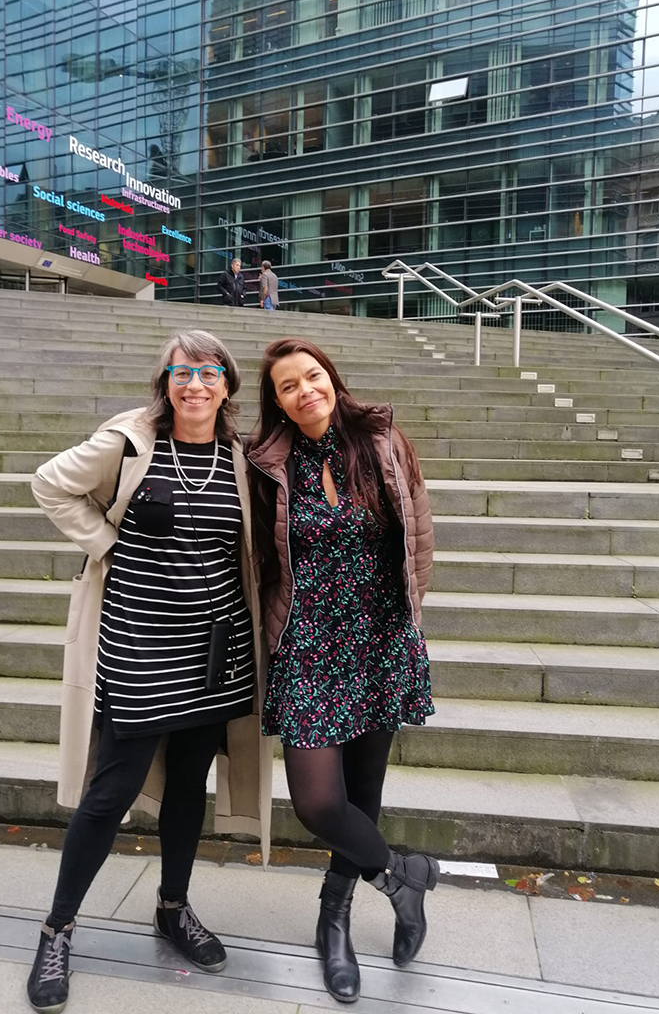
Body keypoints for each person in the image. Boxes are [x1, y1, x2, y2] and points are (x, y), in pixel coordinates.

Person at [25, 330, 272, 1013]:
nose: (195, 384)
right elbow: (50, 484)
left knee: (190, 783)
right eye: (181, 372)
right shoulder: (131, 442)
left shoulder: (239, 458)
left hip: (214, 652)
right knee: (111, 792)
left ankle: (173, 905)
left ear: (227, 385)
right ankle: (57, 928)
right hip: (139, 642)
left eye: (209, 371)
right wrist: (105, 540)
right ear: (165, 382)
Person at [247, 336, 439, 1004]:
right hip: (305, 648)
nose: (305, 390)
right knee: (318, 802)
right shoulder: (268, 465)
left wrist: (403, 620)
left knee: (362, 794)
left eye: (312, 376)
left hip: (378, 642)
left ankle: (336, 920)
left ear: (331, 377)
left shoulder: (383, 444)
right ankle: (402, 874)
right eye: (288, 386)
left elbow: (419, 536)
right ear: (276, 402)